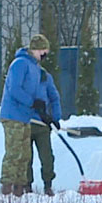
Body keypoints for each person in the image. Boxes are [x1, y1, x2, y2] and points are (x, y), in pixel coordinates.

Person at [0, 34, 54, 196]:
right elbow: (14, 89)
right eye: (43, 51)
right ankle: (7, 186)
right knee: (14, 152)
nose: (44, 55)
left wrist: (43, 111)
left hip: (25, 116)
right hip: (13, 115)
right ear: (35, 49)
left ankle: (19, 187)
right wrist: (31, 102)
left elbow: (36, 92)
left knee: (25, 154)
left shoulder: (35, 68)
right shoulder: (20, 64)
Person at [27, 64, 63, 196]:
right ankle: (27, 186)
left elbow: (54, 98)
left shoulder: (45, 77)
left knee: (47, 157)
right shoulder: (23, 78)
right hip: (26, 124)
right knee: (26, 157)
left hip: (43, 126)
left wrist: (56, 118)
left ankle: (48, 185)